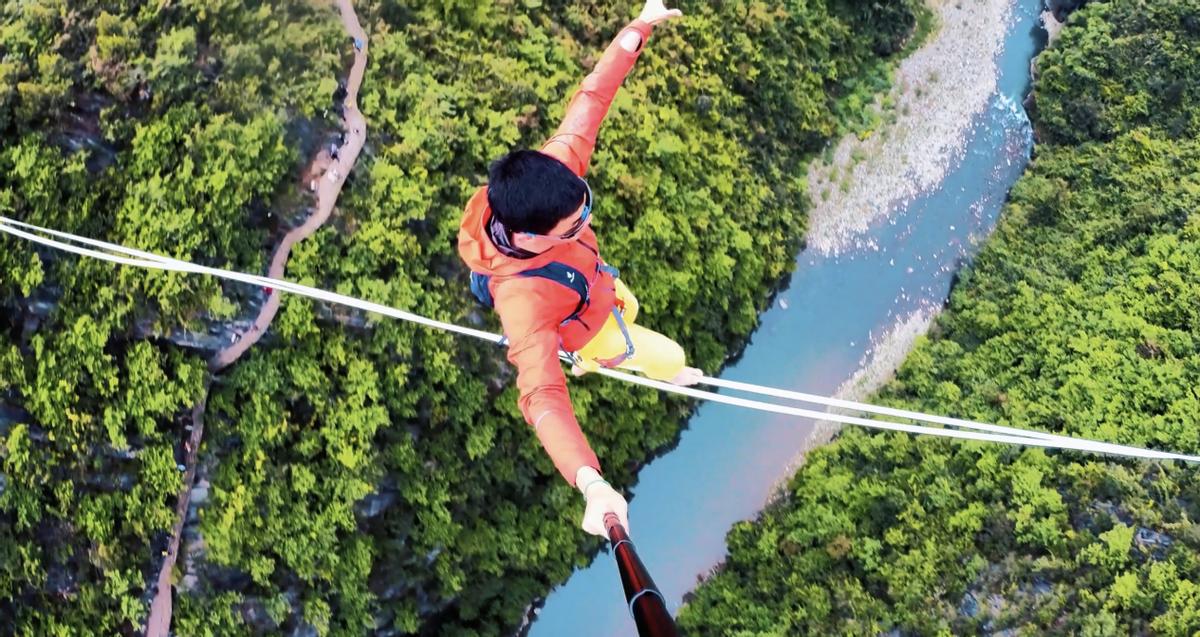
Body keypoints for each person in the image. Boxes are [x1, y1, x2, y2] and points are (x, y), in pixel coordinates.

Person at [457, 0, 696, 538]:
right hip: (585, 331)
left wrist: (640, 25)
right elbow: (540, 396)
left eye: (585, 208)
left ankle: (644, 348)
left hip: (596, 287)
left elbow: (592, 99)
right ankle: (669, 374)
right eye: (574, 224)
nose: (586, 221)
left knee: (629, 304)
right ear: (529, 238)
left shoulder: (556, 173)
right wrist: (592, 484)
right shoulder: (523, 304)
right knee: (667, 354)